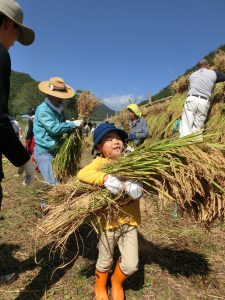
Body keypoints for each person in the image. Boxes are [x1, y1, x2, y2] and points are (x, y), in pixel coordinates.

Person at [77, 122, 143, 300]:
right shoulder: (100, 163)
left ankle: (116, 282)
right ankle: (100, 286)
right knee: (105, 259)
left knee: (131, 265)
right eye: (109, 139)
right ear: (99, 147)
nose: (116, 142)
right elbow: (82, 174)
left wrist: (137, 184)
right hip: (108, 223)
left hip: (130, 221)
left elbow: (144, 181)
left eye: (119, 139)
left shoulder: (131, 162)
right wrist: (105, 178)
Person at [0, 0, 35, 285]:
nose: (13, 44)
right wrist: (23, 159)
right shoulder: (0, 53)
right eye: (15, 36)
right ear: (9, 25)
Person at [33, 77, 83, 185]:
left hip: (56, 150)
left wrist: (70, 125)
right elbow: (54, 129)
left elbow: (61, 124)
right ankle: (45, 202)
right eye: (58, 97)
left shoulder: (58, 109)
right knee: (53, 183)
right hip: (45, 151)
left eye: (62, 97)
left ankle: (48, 200)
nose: (61, 100)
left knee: (59, 178)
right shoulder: (43, 110)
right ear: (50, 95)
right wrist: (72, 124)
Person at [179, 59, 225, 137]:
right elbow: (223, 77)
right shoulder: (213, 73)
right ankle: (196, 146)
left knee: (186, 126)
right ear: (208, 66)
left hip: (191, 99)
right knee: (198, 129)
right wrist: (214, 70)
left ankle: (182, 147)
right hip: (204, 102)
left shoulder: (192, 75)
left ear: (198, 67)